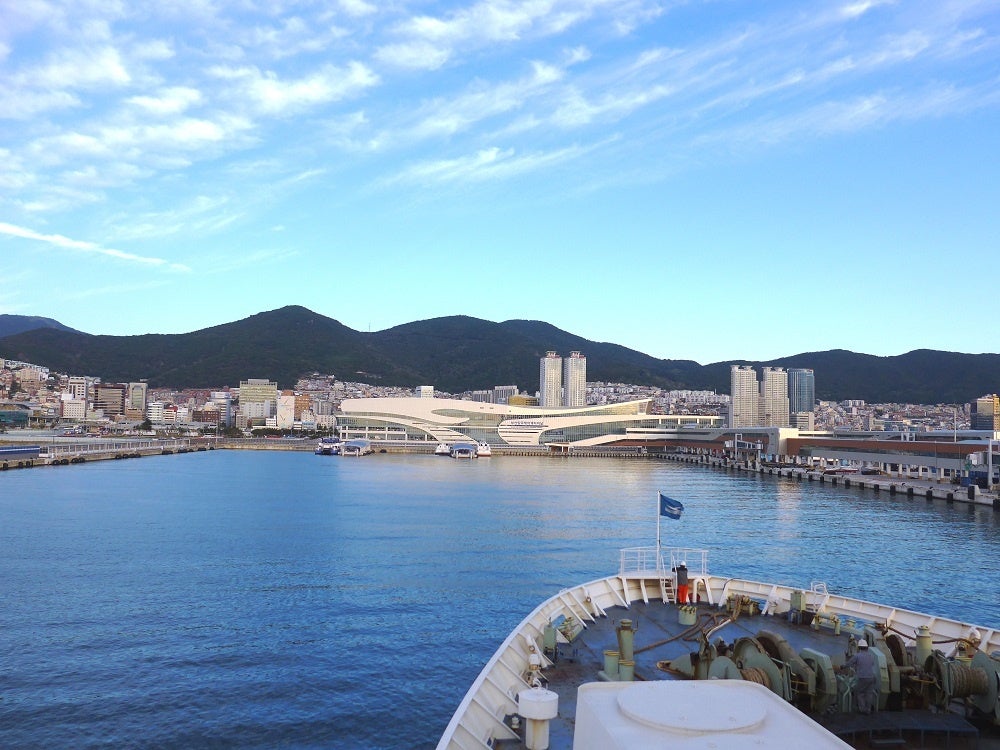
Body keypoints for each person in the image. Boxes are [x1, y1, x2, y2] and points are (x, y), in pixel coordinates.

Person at [843, 639, 879, 714]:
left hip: (862, 677)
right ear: (867, 647)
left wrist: (842, 666)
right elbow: (871, 664)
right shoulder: (871, 656)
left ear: (859, 648)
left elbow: (849, 663)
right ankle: (868, 710)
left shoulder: (857, 656)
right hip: (871, 677)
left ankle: (862, 709)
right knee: (869, 693)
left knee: (860, 693)